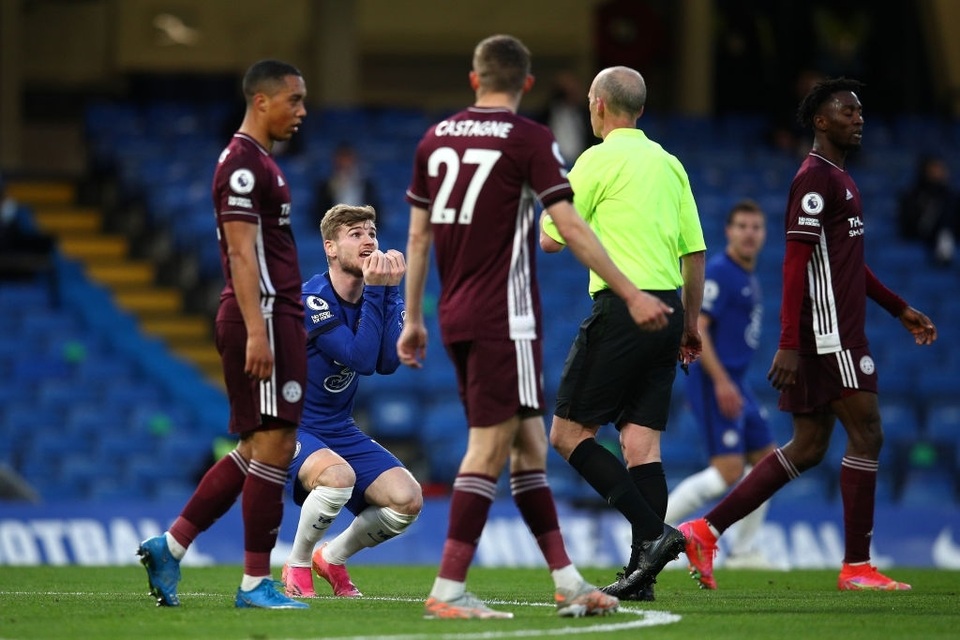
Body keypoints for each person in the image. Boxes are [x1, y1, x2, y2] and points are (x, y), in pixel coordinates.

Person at [398, 34, 671, 620]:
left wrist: (412, 315)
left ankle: (568, 582)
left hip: (455, 313)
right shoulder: (529, 139)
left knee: (529, 449)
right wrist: (631, 292)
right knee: (490, 446)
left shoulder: (434, 139)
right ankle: (448, 588)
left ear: (474, 80)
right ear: (526, 84)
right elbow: (567, 225)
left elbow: (417, 235)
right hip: (507, 318)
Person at [680, 77, 938, 592]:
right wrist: (790, 342)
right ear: (821, 121)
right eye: (847, 110)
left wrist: (897, 308)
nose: (858, 117)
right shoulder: (815, 179)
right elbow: (795, 264)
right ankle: (857, 567)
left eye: (861, 110)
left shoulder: (840, 179)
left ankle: (705, 531)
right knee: (867, 433)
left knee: (809, 445)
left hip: (832, 330)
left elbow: (849, 266)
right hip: (831, 333)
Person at [137, 59, 310, 610]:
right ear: (261, 101)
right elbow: (239, 251)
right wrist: (259, 332)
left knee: (256, 446)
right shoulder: (241, 166)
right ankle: (256, 583)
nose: (302, 112)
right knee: (276, 445)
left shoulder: (261, 163)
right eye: (294, 100)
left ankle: (171, 544)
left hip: (270, 315)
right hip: (261, 316)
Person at [541, 65, 706, 602]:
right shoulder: (670, 163)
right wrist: (692, 322)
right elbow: (695, 251)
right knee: (642, 446)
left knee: (567, 435)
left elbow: (552, 239)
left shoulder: (597, 159)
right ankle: (643, 579)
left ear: (599, 105)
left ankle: (657, 536)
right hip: (670, 311)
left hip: (623, 308)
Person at [281, 203, 422, 598]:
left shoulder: (374, 294)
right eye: (355, 233)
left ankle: (332, 557)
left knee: (407, 500)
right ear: (330, 247)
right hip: (292, 424)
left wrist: (390, 292)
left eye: (372, 232)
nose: (368, 240)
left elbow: (388, 363)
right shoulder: (312, 299)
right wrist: (380, 290)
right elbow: (359, 358)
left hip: (338, 428)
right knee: (338, 478)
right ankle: (296, 566)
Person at [664, 199, 775, 568]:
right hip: (717, 381)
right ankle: (654, 535)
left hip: (735, 381)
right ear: (728, 231)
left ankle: (744, 552)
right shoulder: (721, 272)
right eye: (741, 226)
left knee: (769, 463)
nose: (749, 233)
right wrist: (723, 382)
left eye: (755, 227)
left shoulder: (746, 276)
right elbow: (700, 330)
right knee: (727, 471)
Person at [897, 154, 957, 267]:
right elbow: (906, 225)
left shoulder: (951, 197)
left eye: (941, 169)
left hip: (948, 235)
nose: (939, 173)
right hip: (917, 238)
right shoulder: (912, 196)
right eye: (935, 169)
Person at [314, 142, 381, 227]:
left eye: (348, 159)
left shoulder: (367, 186)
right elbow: (318, 215)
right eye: (342, 159)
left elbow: (376, 214)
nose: (345, 163)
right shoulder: (325, 186)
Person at [535, 71, 594, 166]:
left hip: (580, 160)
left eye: (574, 89)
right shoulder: (549, 112)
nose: (572, 93)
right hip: (555, 161)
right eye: (566, 91)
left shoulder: (584, 113)